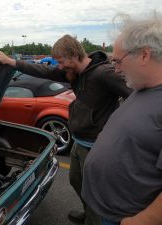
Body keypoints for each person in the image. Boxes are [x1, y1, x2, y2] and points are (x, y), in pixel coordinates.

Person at [0, 35, 132, 225]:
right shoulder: (71, 72)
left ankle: (94, 220)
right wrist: (10, 61)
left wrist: (116, 125)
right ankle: (88, 212)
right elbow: (42, 70)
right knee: (76, 180)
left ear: (73, 55)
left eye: (60, 61)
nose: (59, 66)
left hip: (95, 145)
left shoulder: (103, 73)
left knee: (95, 192)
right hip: (79, 139)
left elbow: (136, 94)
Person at [82, 12, 162, 225]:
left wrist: (140, 221)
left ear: (145, 55)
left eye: (117, 61)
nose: (115, 68)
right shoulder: (142, 88)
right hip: (111, 210)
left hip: (129, 218)